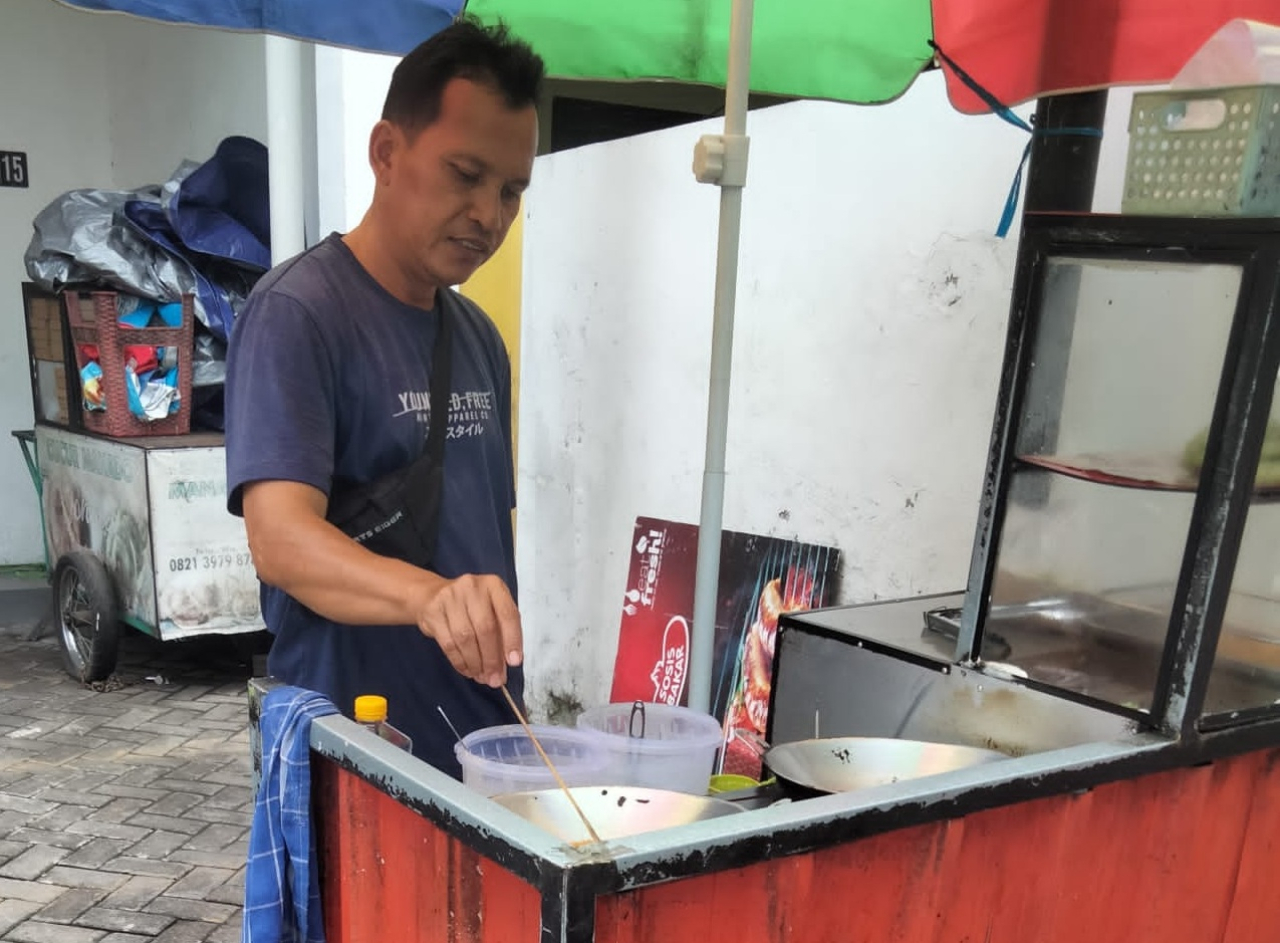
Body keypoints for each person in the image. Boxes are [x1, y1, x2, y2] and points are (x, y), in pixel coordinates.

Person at [224, 17, 544, 778]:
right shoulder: (299, 314)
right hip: (362, 757)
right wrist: (432, 599)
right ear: (386, 153)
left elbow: (485, 541)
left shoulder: (478, 338)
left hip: (483, 750)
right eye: (465, 175)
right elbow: (280, 539)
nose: (490, 215)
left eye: (511, 190)